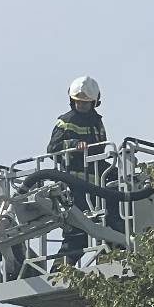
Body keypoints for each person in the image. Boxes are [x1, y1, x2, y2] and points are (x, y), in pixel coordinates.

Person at [47, 76, 123, 270]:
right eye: (78, 102)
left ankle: (111, 261)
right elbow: (52, 148)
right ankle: (60, 271)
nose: (81, 105)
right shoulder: (65, 121)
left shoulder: (97, 122)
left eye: (86, 103)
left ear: (94, 102)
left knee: (111, 222)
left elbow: (100, 149)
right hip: (74, 183)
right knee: (77, 232)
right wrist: (73, 145)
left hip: (97, 183)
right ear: (72, 100)